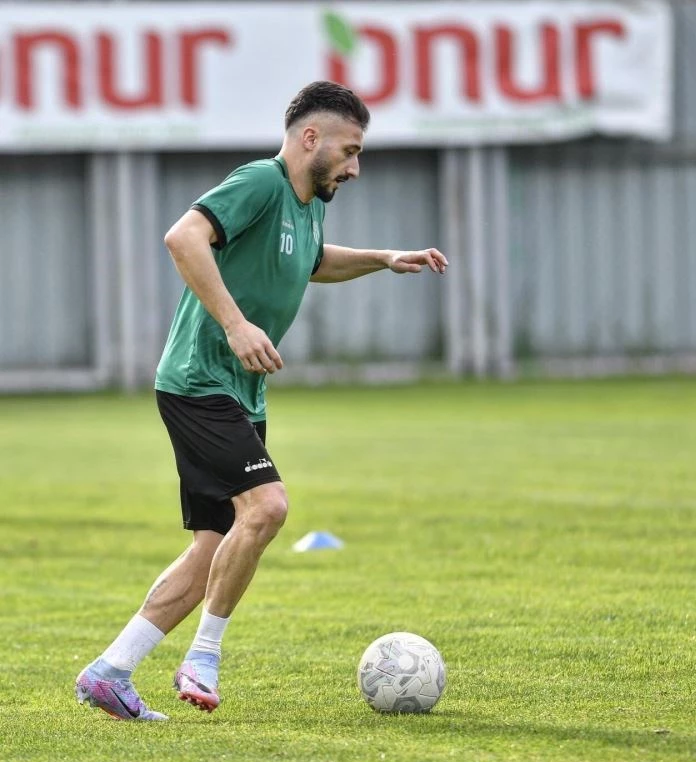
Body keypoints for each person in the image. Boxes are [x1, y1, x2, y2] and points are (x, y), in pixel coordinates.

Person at [75, 80, 448, 719]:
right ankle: (203, 656)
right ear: (311, 138)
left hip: (238, 391)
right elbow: (183, 237)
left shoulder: (308, 204)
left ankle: (111, 671)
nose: (355, 167)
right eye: (350, 151)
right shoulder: (261, 182)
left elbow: (311, 261)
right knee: (268, 506)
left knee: (213, 545)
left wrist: (383, 258)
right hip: (199, 382)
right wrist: (235, 324)